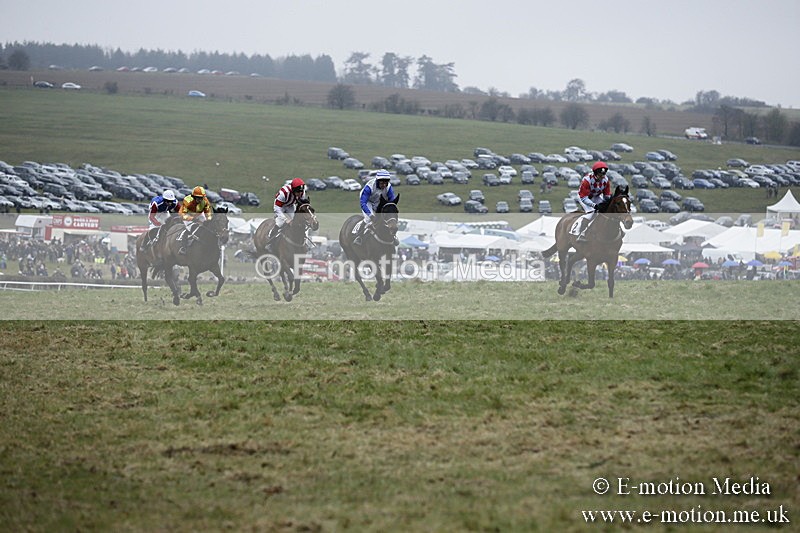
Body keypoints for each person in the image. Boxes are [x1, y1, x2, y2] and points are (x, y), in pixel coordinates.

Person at [353, 169, 397, 245]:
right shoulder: (369, 187)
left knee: (387, 218)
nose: (384, 185)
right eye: (382, 183)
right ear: (377, 181)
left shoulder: (389, 187)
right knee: (368, 218)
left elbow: (391, 202)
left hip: (379, 200)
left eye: (386, 183)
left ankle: (393, 236)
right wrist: (370, 215)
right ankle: (359, 236)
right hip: (368, 201)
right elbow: (363, 203)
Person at [570, 161, 611, 241]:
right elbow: (584, 198)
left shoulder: (606, 180)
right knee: (591, 213)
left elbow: (606, 195)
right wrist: (594, 205)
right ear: (595, 173)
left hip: (596, 196)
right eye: (600, 175)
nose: (602, 177)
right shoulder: (587, 180)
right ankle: (581, 233)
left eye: (603, 174)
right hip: (583, 197)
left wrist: (608, 203)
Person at [265, 178, 307, 252]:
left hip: (290, 205)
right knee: (280, 223)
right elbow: (277, 208)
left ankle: (304, 241)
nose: (299, 194)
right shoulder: (284, 193)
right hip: (280, 206)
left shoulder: (302, 193)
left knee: (298, 222)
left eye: (301, 192)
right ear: (293, 190)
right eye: (298, 192)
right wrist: (286, 219)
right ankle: (270, 243)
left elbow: (301, 205)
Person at [177, 186, 213, 254]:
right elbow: (181, 214)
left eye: (201, 198)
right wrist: (191, 219)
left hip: (199, 214)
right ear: (194, 197)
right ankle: (183, 247)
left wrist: (209, 219)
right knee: (190, 228)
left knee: (207, 226)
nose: (200, 200)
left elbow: (208, 212)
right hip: (187, 215)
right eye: (198, 198)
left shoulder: (205, 201)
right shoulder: (187, 200)